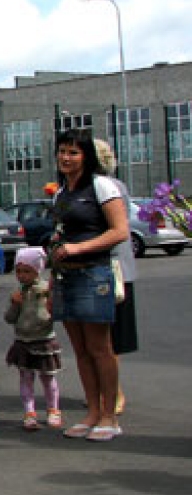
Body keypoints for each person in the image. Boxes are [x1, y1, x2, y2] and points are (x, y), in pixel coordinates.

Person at [50, 129, 128, 442]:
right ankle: (93, 412)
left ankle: (110, 415)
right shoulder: (61, 193)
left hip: (93, 274)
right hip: (65, 276)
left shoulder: (101, 186)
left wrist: (79, 248)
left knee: (100, 348)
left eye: (73, 152)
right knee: (80, 350)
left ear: (86, 156)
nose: (66, 158)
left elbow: (119, 231)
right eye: (62, 152)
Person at [94, 138, 138, 415]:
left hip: (113, 270)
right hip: (91, 269)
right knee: (96, 337)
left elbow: (119, 228)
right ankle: (105, 391)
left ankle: (113, 392)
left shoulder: (110, 187)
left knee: (110, 338)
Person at [4, 246, 63, 431]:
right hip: (23, 341)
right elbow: (9, 318)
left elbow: (54, 313)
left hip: (43, 340)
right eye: (18, 271)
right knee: (26, 377)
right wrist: (15, 304)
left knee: (48, 378)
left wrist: (50, 307)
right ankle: (29, 412)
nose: (22, 276)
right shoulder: (17, 293)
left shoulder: (46, 290)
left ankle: (53, 409)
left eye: (27, 271)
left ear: (37, 270)